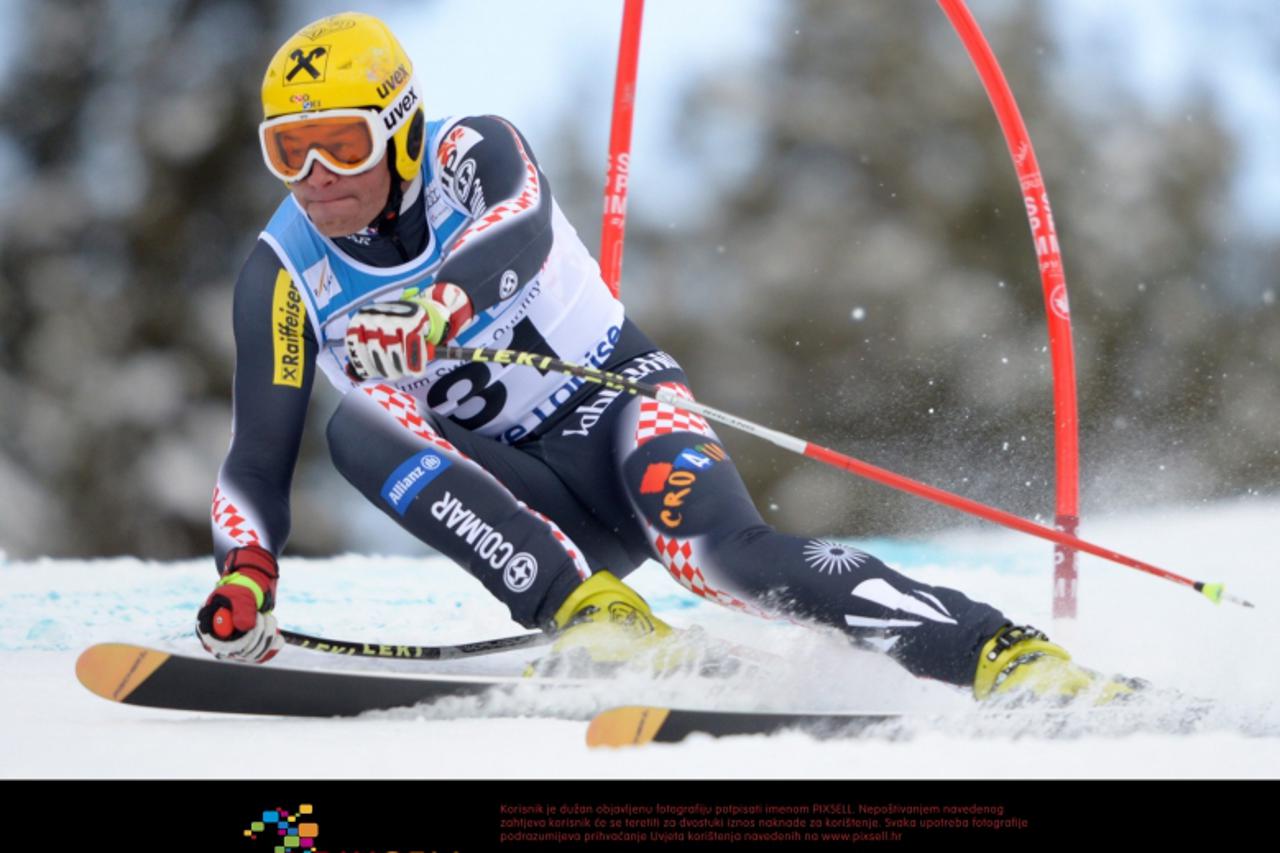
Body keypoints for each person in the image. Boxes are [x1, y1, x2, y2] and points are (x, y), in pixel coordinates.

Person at [196, 11, 1126, 703]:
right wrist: (247, 572)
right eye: (290, 151)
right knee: (357, 425)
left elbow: (513, 232)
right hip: (528, 504)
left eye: (341, 143)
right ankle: (588, 611)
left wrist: (441, 305)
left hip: (621, 417)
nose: (316, 176)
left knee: (728, 559)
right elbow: (258, 455)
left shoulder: (472, 152)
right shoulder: (283, 273)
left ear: (400, 126)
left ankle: (1000, 651)